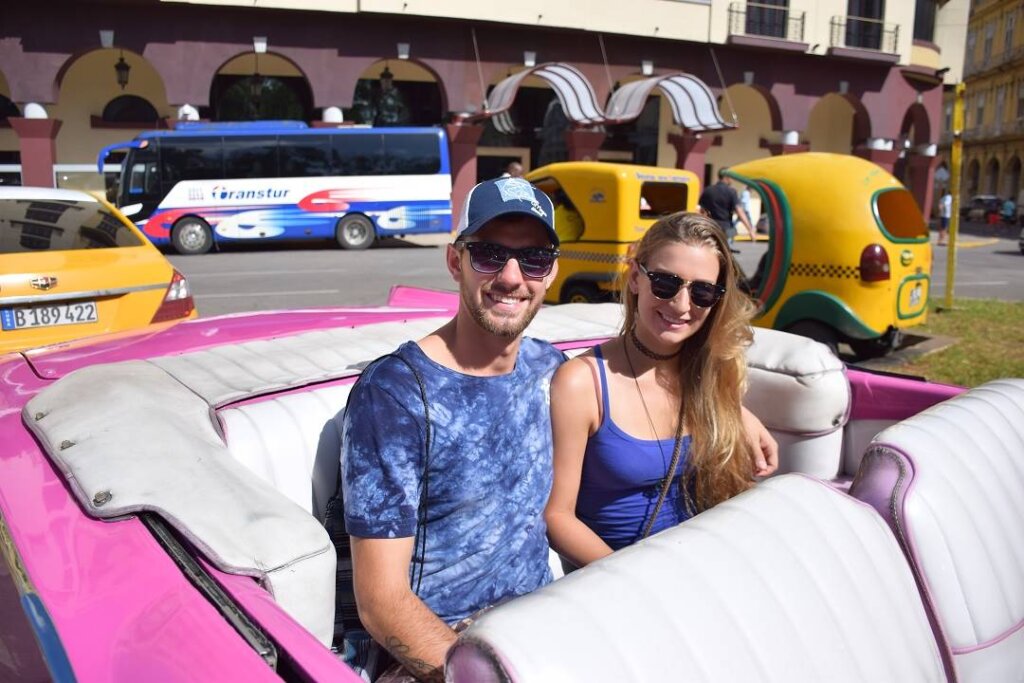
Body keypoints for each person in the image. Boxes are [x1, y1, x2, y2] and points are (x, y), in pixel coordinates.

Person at [338, 180, 777, 681]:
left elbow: (644, 379)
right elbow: (381, 601)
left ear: (551, 274)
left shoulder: (547, 368)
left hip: (549, 624)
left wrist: (735, 412)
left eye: (534, 260)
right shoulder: (395, 394)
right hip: (443, 648)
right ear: (455, 262)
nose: (511, 277)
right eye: (488, 253)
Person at [545, 212, 776, 569]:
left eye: (702, 292)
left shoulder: (710, 374)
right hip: (618, 581)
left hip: (702, 564)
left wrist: (736, 414)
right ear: (636, 278)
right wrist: (637, 582)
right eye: (666, 283)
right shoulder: (582, 382)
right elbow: (558, 517)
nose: (682, 305)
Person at [699, 168, 754, 254]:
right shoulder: (731, 192)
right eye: (731, 177)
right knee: (725, 255)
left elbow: (702, 211)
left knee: (709, 252)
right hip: (725, 228)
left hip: (710, 227)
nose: (732, 179)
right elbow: (739, 211)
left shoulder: (708, 190)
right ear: (726, 177)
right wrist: (750, 230)